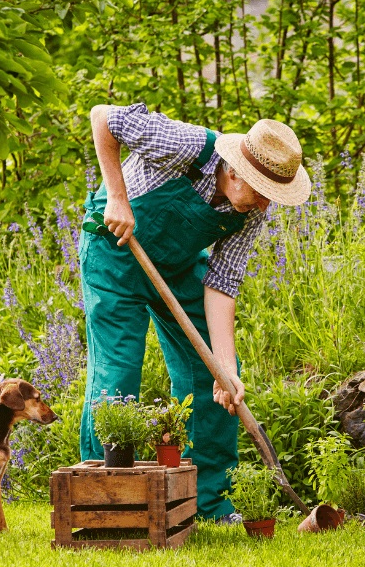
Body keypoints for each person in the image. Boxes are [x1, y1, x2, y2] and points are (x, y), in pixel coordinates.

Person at [78, 103, 311, 522]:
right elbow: (102, 117)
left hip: (178, 265)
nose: (263, 207)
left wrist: (224, 366)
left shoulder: (248, 213)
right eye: (261, 193)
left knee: (219, 376)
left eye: (271, 198)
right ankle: (105, 498)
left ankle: (205, 501)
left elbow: (222, 283)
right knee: (118, 376)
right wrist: (117, 197)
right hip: (114, 253)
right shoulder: (187, 145)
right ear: (236, 172)